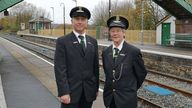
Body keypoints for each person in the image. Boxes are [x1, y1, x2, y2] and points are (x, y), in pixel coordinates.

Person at [54, 6, 99, 108]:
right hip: (70, 93)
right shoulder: (63, 42)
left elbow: (95, 68)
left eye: (83, 19)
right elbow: (60, 69)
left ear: (87, 22)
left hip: (88, 93)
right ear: (72, 21)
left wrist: (95, 89)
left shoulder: (93, 42)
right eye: (77, 19)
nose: (80, 22)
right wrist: (63, 92)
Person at [102, 16, 147, 108]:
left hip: (127, 100)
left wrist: (130, 89)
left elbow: (141, 74)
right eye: (113, 31)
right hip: (110, 99)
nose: (115, 33)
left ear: (123, 33)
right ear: (110, 33)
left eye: (118, 30)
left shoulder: (133, 52)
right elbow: (108, 74)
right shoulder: (106, 52)